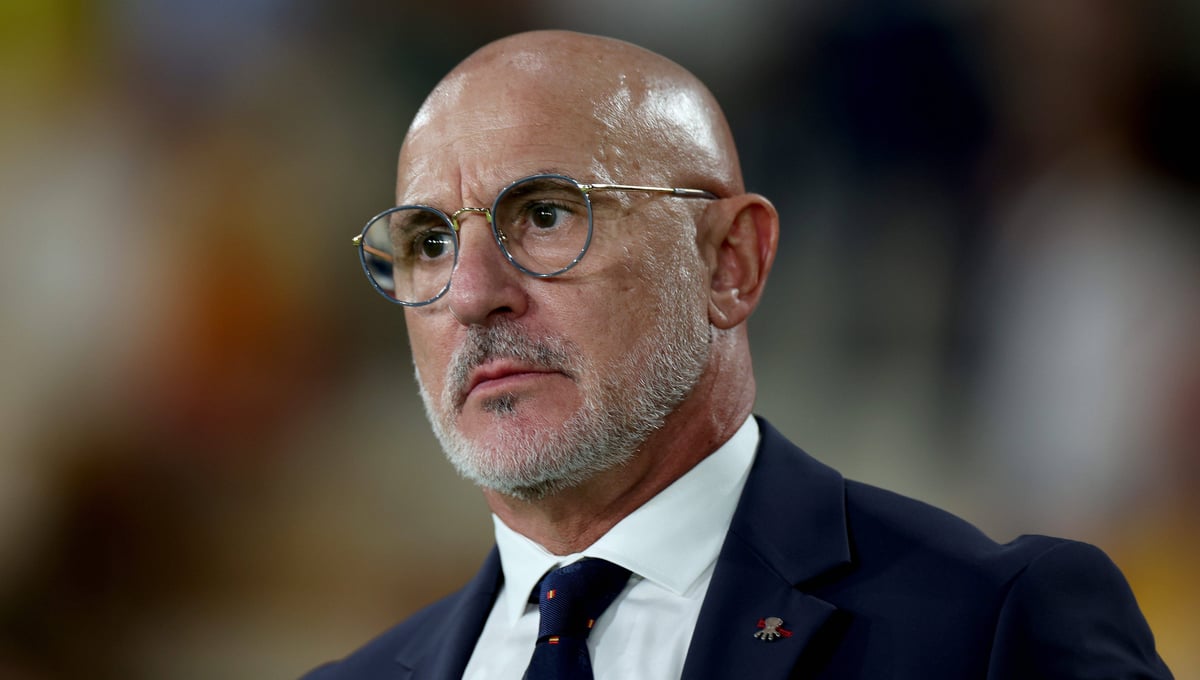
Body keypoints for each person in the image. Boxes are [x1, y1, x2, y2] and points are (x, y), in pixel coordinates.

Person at [304, 30, 1171, 679]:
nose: (469, 293)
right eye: (428, 242)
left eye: (544, 215)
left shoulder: (992, 630)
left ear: (730, 262)